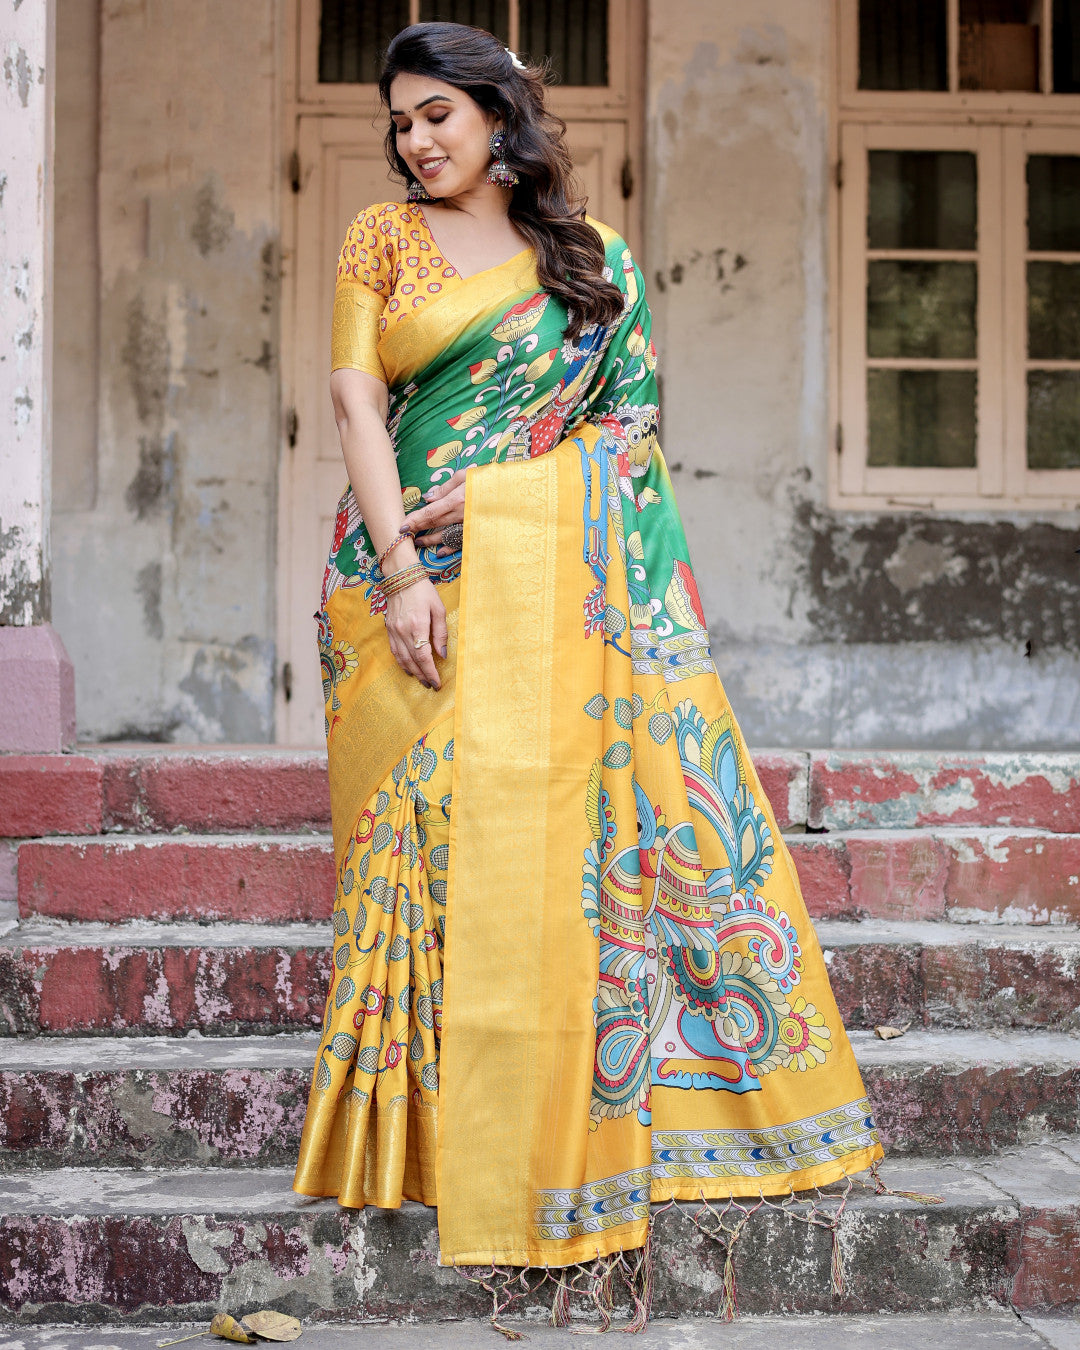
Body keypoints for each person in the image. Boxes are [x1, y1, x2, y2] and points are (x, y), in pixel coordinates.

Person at [293, 18, 882, 1306]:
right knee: (416, 846)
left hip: (547, 582)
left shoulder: (595, 264)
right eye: (399, 122)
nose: (415, 140)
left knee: (538, 847)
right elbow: (353, 401)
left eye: (437, 114)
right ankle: (422, 1142)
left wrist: (509, 499)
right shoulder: (379, 238)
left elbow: (629, 436)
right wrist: (400, 569)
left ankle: (547, 1118)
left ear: (497, 116)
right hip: (393, 585)